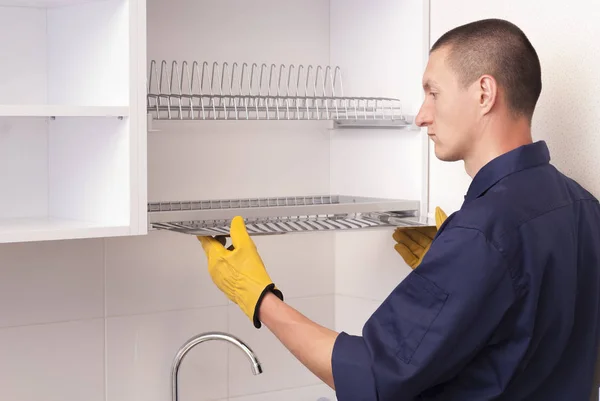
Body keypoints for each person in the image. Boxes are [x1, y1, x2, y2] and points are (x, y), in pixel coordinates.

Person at [197, 18, 600, 401]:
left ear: (484, 93)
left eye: (433, 92)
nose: (422, 115)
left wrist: (259, 297)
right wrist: (465, 282)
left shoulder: (481, 233)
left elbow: (373, 375)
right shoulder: (584, 207)